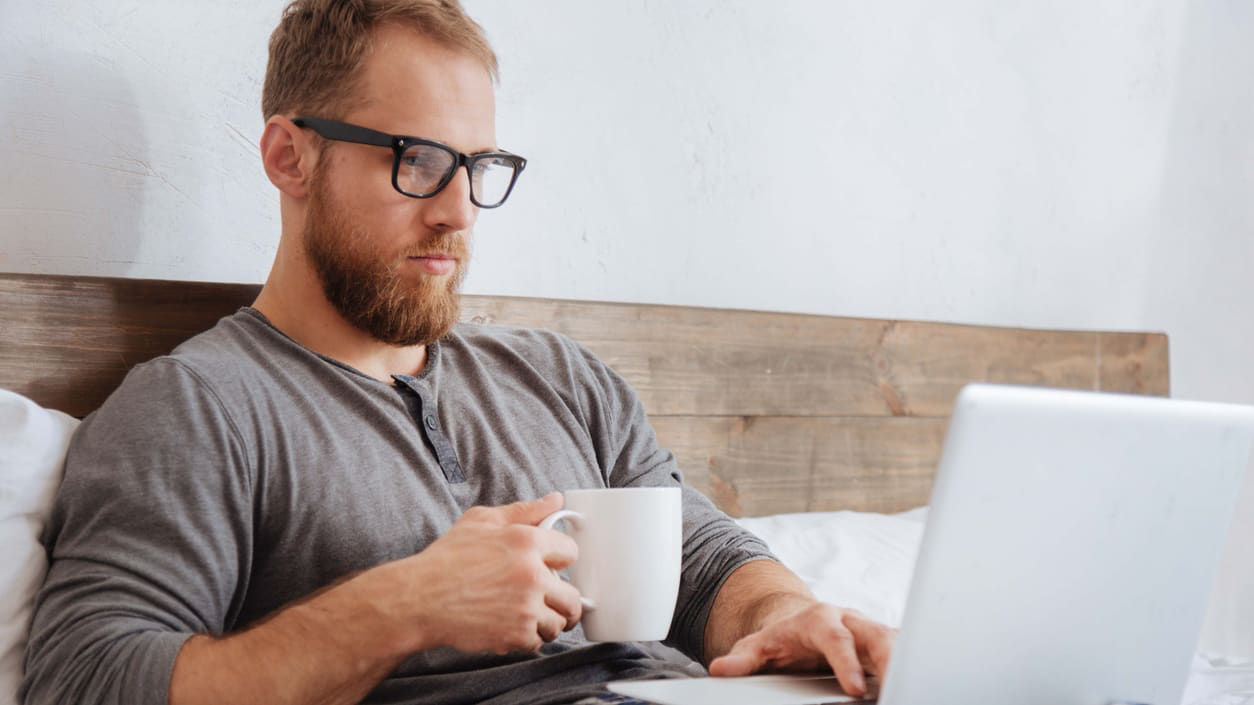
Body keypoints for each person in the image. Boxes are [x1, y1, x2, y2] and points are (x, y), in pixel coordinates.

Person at [19, 2, 895, 704]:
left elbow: (702, 562)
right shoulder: (197, 407)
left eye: (478, 166)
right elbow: (84, 680)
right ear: (290, 157)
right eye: (418, 161)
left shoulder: (559, 377)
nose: (459, 211)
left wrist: (790, 615)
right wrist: (404, 605)